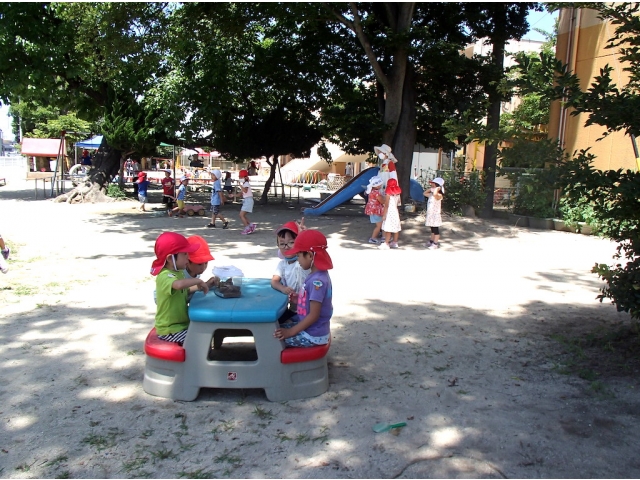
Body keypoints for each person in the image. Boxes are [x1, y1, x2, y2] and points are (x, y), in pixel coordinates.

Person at [273, 229, 333, 348]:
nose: (298, 259)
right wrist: (299, 300)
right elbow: (312, 302)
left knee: (272, 338)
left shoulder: (318, 282)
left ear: (310, 255)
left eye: (299, 255)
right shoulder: (315, 274)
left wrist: (290, 332)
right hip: (312, 329)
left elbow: (314, 315)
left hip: (313, 335)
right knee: (275, 329)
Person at [151, 232, 209, 345]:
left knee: (207, 331)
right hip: (169, 329)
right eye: (185, 254)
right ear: (169, 258)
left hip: (181, 325)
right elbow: (178, 285)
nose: (188, 257)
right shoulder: (165, 275)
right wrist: (198, 281)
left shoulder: (178, 273)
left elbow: (184, 291)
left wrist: (203, 286)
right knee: (201, 341)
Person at [271, 221, 310, 323]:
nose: (286, 246)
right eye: (282, 244)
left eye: (291, 242)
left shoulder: (303, 261)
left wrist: (303, 237)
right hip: (293, 309)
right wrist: (283, 288)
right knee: (273, 323)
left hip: (309, 310)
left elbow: (311, 251)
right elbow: (274, 281)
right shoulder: (282, 264)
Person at [185, 235, 219, 301]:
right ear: (187, 261)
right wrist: (203, 285)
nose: (203, 268)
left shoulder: (195, 271)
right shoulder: (180, 273)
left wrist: (207, 284)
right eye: (199, 264)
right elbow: (180, 292)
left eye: (206, 263)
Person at [379, 178, 402, 250]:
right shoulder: (398, 194)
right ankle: (395, 242)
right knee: (395, 228)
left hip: (389, 212)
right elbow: (398, 202)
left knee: (388, 229)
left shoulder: (388, 194)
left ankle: (386, 243)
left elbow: (386, 205)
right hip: (395, 211)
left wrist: (384, 215)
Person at [424, 177, 445, 250]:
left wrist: (437, 189)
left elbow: (436, 194)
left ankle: (435, 243)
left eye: (433, 185)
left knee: (436, 230)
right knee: (432, 229)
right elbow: (424, 193)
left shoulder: (439, 195)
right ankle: (431, 241)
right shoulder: (431, 195)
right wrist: (431, 189)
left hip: (435, 215)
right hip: (430, 215)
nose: (432, 186)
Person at [364, 176, 385, 244]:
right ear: (377, 185)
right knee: (379, 226)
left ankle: (383, 236)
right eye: (380, 184)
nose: (381, 185)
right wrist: (386, 199)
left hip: (373, 210)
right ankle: (373, 238)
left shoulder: (371, 191)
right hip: (376, 210)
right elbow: (381, 201)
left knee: (381, 224)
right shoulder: (376, 193)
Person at [238, 169, 256, 234]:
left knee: (241, 215)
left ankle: (247, 228)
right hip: (246, 200)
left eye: (241, 177)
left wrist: (240, 185)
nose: (240, 178)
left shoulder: (246, 184)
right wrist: (233, 195)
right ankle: (251, 225)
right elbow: (240, 194)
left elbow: (245, 191)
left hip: (248, 200)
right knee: (243, 215)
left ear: (245, 177)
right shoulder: (244, 184)